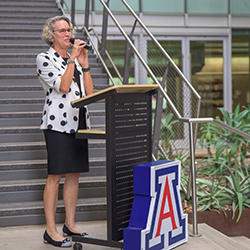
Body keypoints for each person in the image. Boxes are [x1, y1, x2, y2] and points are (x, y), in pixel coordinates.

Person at [36, 16, 94, 248]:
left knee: (74, 174)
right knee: (55, 176)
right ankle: (50, 231)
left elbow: (89, 93)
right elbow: (63, 87)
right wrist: (72, 59)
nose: (68, 34)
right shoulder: (44, 58)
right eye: (62, 31)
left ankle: (69, 224)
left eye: (69, 30)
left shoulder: (77, 59)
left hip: (78, 121)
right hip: (57, 123)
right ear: (51, 35)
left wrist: (85, 63)